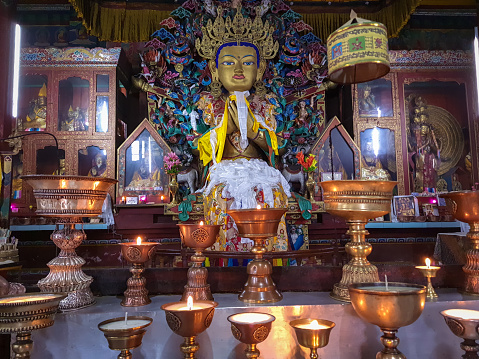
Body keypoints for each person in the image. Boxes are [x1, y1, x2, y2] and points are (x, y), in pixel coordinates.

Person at [195, 6, 290, 252]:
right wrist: (226, 128)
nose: (238, 70)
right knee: (220, 193)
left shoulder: (264, 104)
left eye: (247, 63)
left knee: (271, 191)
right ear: (215, 71)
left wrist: (251, 129)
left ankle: (265, 259)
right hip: (225, 168)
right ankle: (225, 261)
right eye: (228, 63)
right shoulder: (211, 105)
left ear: (259, 70)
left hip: (257, 167)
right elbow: (203, 147)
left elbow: (272, 148)